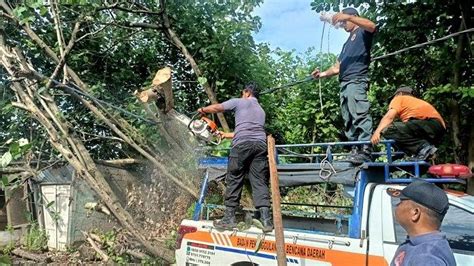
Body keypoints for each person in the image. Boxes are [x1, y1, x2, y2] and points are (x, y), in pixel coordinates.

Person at [197, 83, 273, 233]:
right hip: (260, 146)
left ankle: (229, 218)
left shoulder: (239, 102)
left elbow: (218, 107)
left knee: (234, 179)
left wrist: (203, 110)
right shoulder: (261, 110)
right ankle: (266, 221)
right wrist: (226, 135)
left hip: (242, 146)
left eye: (243, 93)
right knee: (259, 181)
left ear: (247, 92)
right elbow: (249, 130)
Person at [312, 7, 376, 164]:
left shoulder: (362, 31)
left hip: (356, 80)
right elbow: (337, 68)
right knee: (348, 117)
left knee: (359, 113)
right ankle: (355, 148)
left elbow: (372, 26)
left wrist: (346, 16)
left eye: (344, 22)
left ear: (352, 17)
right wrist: (321, 75)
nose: (342, 25)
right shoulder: (346, 44)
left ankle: (365, 148)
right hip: (345, 83)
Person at [387, 180, 456, 266]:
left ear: (415, 213)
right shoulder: (417, 244)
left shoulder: (426, 257)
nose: (396, 206)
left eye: (401, 202)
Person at [371, 86, 446, 161]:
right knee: (401, 133)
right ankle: (420, 153)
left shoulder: (399, 98)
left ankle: (424, 148)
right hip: (437, 129)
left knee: (388, 129)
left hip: (429, 124)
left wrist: (377, 132)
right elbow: (405, 137)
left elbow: (389, 117)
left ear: (399, 94)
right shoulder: (413, 103)